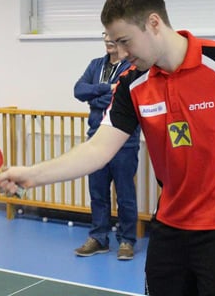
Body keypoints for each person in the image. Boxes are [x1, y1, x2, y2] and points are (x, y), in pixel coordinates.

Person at [0, 0, 215, 296]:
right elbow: (97, 149)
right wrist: (33, 175)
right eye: (114, 43)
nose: (121, 53)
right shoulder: (133, 84)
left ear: (154, 23)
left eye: (125, 41)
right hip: (170, 225)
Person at [73, 33, 141, 260]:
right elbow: (79, 90)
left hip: (124, 142)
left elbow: (126, 97)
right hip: (96, 140)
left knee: (125, 194)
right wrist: (106, 89)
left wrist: (95, 97)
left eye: (113, 35)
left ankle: (126, 240)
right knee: (97, 193)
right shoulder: (95, 65)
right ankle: (99, 238)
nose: (108, 39)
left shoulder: (131, 67)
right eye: (105, 35)